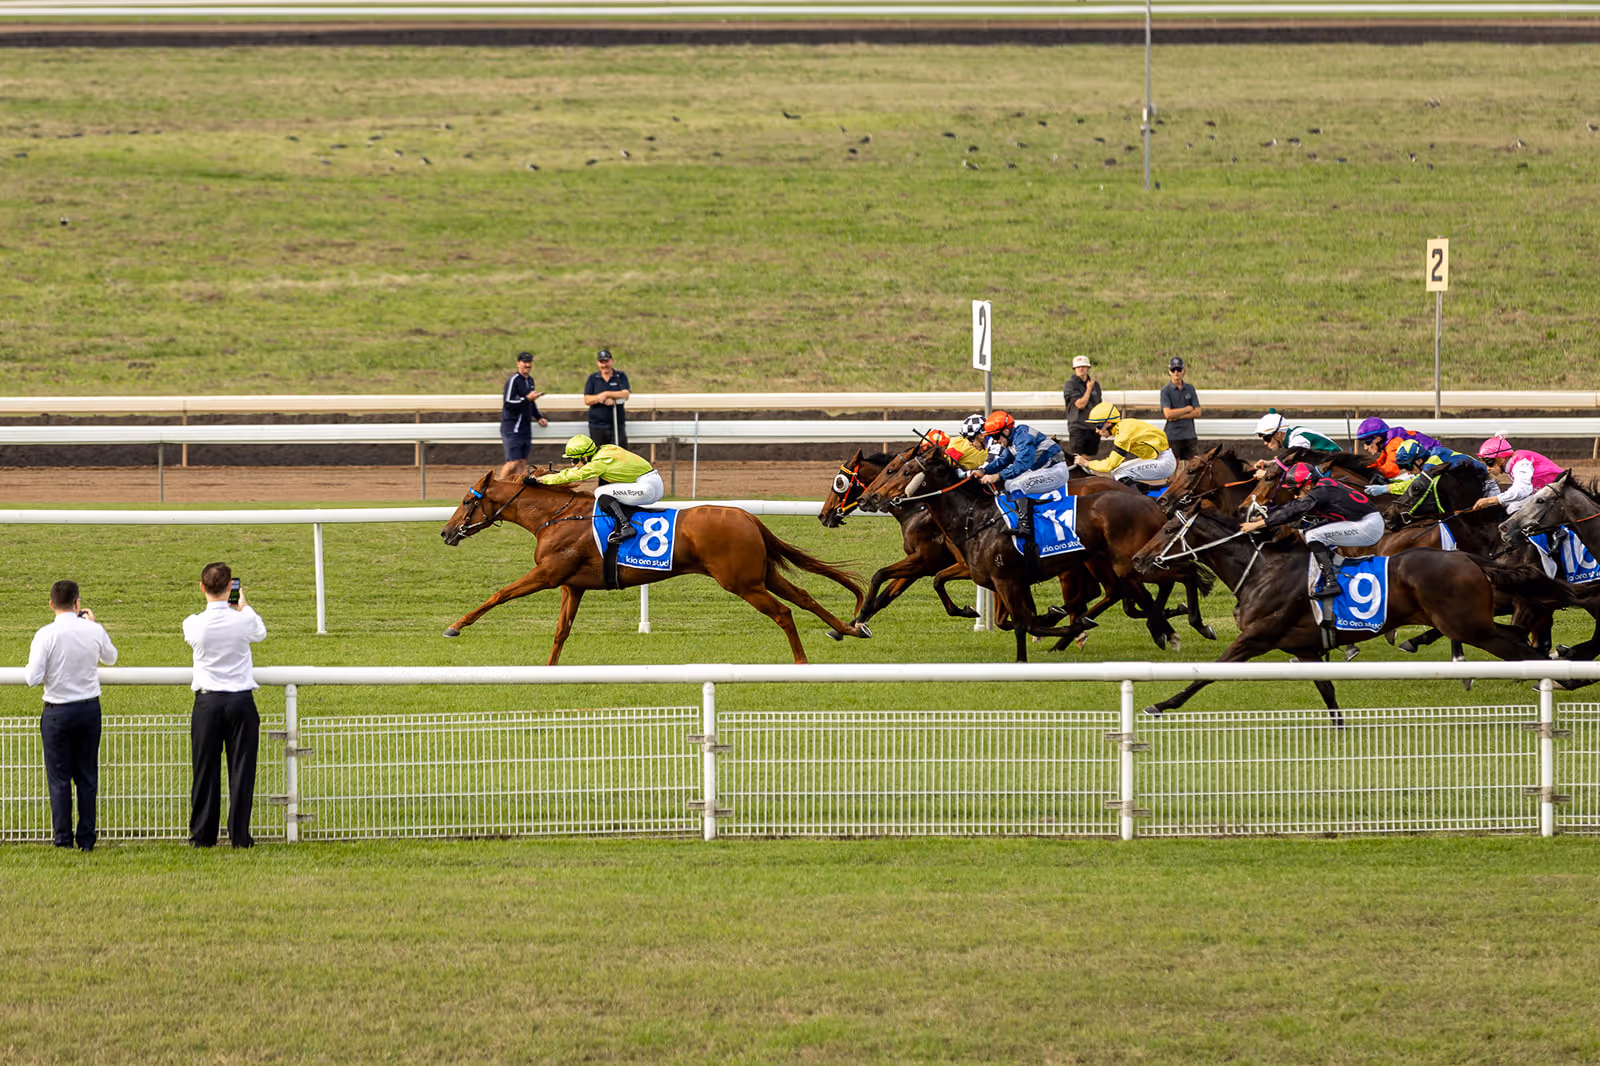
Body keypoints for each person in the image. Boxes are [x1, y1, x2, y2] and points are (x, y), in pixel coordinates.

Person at [25, 580, 117, 852]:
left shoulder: (45, 634)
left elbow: (32, 677)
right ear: (77, 603)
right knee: (87, 777)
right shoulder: (93, 630)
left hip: (57, 711)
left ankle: (62, 839)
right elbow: (111, 658)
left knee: (59, 779)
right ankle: (86, 839)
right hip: (88, 709)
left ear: (52, 604)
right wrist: (93, 625)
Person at [183, 562, 267, 849]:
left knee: (205, 770)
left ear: (202, 587)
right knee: (242, 770)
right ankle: (240, 836)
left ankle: (203, 836)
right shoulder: (243, 620)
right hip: (241, 701)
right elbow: (260, 633)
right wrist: (243, 606)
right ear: (231, 586)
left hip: (208, 702)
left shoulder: (193, 623)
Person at [1240, 462, 1384, 620]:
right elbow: (1292, 506)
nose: (1295, 495)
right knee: (1312, 531)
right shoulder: (1321, 486)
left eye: (1296, 490)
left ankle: (1332, 583)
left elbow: (1295, 510)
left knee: (1313, 535)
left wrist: (1257, 524)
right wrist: (1266, 516)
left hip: (1368, 526)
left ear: (1307, 486)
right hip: (1361, 521)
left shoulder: (1320, 491)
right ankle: (1332, 573)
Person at [537, 433, 665, 545]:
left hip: (647, 487)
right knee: (608, 492)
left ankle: (626, 526)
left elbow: (575, 474)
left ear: (585, 456)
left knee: (600, 492)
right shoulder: (605, 450)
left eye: (575, 459)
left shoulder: (600, 462)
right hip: (649, 483)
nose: (572, 463)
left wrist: (542, 480)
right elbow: (575, 470)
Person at [976, 411, 1069, 546]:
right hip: (1044, 470)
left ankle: (1025, 527)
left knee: (1016, 485)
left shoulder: (1024, 437)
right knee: (1009, 484)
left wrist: (996, 476)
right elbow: (1002, 461)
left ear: (1006, 431)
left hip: (1056, 471)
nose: (994, 440)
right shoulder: (1013, 440)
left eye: (995, 436)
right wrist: (984, 470)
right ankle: (1021, 514)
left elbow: (1021, 465)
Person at [1074, 402, 1175, 484]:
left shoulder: (1123, 434)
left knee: (1120, 473)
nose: (1096, 431)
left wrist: (1087, 463)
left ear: (1108, 423)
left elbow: (1110, 465)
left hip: (1164, 463)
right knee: (1117, 471)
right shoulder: (1123, 426)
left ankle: (1138, 503)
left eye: (1098, 426)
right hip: (1160, 458)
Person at [1472, 436, 1564, 514]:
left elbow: (1522, 490)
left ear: (1502, 458)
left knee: (1513, 509)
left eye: (1489, 462)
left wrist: (1491, 500)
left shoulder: (1520, 463)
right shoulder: (1513, 464)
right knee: (1512, 506)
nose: (1488, 468)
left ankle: (1563, 533)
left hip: (1561, 492)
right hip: (1551, 491)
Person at [497, 351, 548, 482]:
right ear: (518, 363)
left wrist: (538, 417)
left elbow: (530, 402)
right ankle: (497, 485)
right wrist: (527, 399)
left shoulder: (529, 380)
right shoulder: (514, 380)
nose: (527, 365)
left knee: (521, 463)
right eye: (525, 362)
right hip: (512, 426)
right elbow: (508, 403)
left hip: (525, 427)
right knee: (512, 462)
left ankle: (516, 491)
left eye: (529, 362)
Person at [1252, 410, 1341, 472]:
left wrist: (1267, 473)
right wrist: (1269, 464)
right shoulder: (1295, 435)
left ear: (1278, 434)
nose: (1265, 443)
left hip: (1335, 466)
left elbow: (1293, 461)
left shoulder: (1298, 439)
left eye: (1267, 438)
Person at [1354, 417, 1441, 480]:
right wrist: (1363, 469)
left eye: (1367, 442)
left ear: (1378, 438)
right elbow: (1381, 462)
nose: (1365, 448)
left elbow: (1392, 469)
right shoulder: (1389, 442)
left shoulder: (1394, 443)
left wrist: (1369, 473)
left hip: (1436, 463)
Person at [584, 348, 631, 448]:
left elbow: (625, 394)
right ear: (598, 363)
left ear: (612, 361)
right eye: (602, 362)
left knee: (620, 453)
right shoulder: (593, 378)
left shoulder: (620, 376)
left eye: (606, 362)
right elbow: (587, 399)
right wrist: (601, 399)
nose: (604, 365)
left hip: (617, 424)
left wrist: (607, 394)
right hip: (597, 425)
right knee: (599, 454)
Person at [1159, 356, 1203, 461]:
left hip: (1189, 434)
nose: (1176, 372)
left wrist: (1177, 415)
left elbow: (1197, 412)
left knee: (1195, 464)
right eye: (1173, 370)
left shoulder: (1190, 388)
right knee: (1173, 466)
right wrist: (1187, 409)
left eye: (1178, 369)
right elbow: (1168, 415)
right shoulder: (1166, 391)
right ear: (1169, 371)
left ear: (1183, 371)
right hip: (1173, 435)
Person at [1061, 356, 1102, 459]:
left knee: (1090, 457)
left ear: (1088, 368)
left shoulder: (1095, 385)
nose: (1081, 369)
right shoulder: (1071, 384)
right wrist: (1088, 390)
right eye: (1078, 367)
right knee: (1078, 457)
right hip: (1078, 426)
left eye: (1083, 366)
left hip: (1092, 427)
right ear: (1074, 369)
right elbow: (1080, 404)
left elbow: (1099, 405)